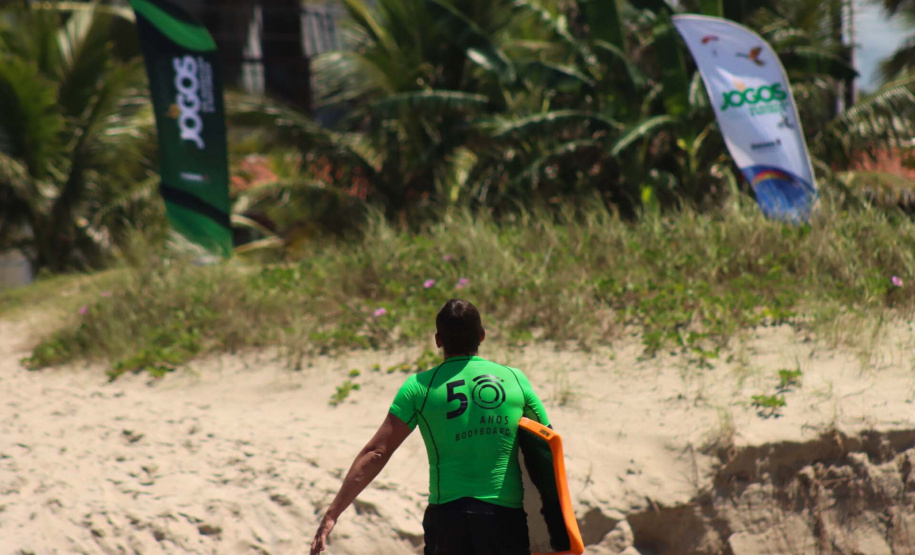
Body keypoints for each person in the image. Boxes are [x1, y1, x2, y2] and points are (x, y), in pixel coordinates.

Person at [310, 298, 551, 555]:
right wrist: (558, 525)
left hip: (448, 520)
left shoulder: (419, 387)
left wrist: (332, 514)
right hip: (503, 518)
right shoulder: (515, 379)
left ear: (438, 340)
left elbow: (376, 452)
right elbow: (547, 446)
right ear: (482, 335)